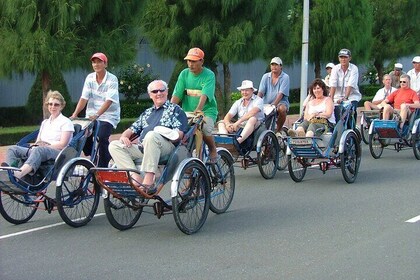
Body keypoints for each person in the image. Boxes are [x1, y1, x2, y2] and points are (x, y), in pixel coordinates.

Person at [109, 80, 188, 194]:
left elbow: (179, 134)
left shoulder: (175, 110)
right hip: (144, 148)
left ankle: (149, 178)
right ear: (150, 95)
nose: (159, 93)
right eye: (155, 91)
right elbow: (131, 129)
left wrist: (165, 133)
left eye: (162, 90)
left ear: (167, 92)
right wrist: (124, 137)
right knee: (114, 145)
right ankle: (135, 176)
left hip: (167, 148)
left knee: (151, 135)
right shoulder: (147, 113)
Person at [4, 91, 74, 179]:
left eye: (56, 104)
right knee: (12, 149)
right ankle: (12, 171)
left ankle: (19, 175)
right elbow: (38, 141)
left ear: (62, 106)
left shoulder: (66, 122)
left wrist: (46, 146)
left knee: (39, 150)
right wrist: (35, 145)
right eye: (50, 104)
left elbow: (63, 144)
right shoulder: (45, 122)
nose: (53, 107)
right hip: (40, 149)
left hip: (57, 152)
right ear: (47, 105)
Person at [71, 52, 120, 167]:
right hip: (91, 114)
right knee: (81, 133)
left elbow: (109, 101)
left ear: (105, 64)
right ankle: (92, 154)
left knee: (102, 135)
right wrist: (75, 114)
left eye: (99, 62)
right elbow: (84, 98)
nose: (96, 64)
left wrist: (97, 115)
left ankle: (103, 162)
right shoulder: (90, 78)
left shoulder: (112, 79)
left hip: (109, 115)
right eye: (94, 62)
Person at [171, 47, 219, 163]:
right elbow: (177, 94)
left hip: (206, 111)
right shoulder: (184, 74)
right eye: (189, 61)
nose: (190, 64)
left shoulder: (209, 75)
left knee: (205, 129)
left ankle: (213, 150)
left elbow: (205, 95)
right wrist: (169, 109)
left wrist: (198, 110)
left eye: (194, 61)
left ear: (201, 61)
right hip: (187, 112)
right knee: (181, 133)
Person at [218, 80, 264, 150]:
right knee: (221, 122)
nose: (244, 92)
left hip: (256, 126)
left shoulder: (259, 100)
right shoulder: (238, 102)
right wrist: (227, 124)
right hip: (241, 125)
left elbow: (252, 113)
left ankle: (238, 142)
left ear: (252, 90)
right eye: (242, 90)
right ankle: (226, 142)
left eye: (247, 90)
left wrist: (237, 123)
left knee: (252, 119)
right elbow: (229, 115)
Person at [257, 56, 290, 136]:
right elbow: (261, 92)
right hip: (266, 102)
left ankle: (278, 130)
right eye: (272, 65)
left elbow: (281, 94)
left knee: (281, 109)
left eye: (276, 65)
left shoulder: (285, 77)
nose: (274, 67)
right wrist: (256, 102)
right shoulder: (265, 76)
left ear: (281, 66)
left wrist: (273, 105)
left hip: (280, 102)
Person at [329, 48, 362, 123]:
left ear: (349, 58)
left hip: (351, 96)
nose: (343, 59)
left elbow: (350, 85)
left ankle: (351, 128)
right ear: (339, 58)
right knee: (331, 111)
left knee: (350, 110)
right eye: (341, 57)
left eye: (345, 57)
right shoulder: (335, 68)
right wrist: (331, 99)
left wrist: (345, 98)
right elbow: (333, 84)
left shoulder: (354, 68)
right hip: (337, 96)